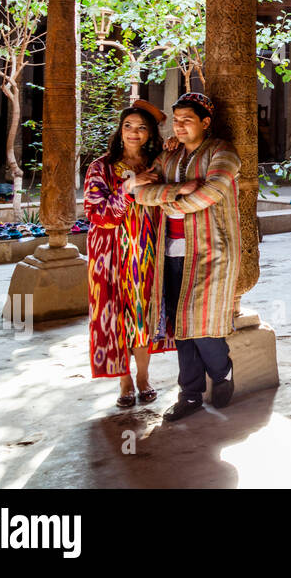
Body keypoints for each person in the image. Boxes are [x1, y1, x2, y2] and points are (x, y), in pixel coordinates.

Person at [131, 92, 242, 422]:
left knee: (202, 324)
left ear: (205, 123)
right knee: (181, 327)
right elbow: (139, 192)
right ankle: (190, 395)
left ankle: (222, 372)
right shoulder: (169, 158)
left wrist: (165, 202)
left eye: (186, 120)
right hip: (171, 253)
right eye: (175, 120)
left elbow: (210, 192)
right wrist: (178, 189)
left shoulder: (223, 152)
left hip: (213, 251)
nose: (178, 127)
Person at [84, 100, 174, 409]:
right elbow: (97, 214)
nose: (133, 133)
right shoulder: (101, 167)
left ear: (151, 134)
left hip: (148, 253)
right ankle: (124, 380)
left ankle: (144, 377)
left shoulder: (158, 164)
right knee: (118, 317)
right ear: (120, 130)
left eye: (141, 128)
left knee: (144, 316)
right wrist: (129, 187)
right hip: (112, 256)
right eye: (128, 126)